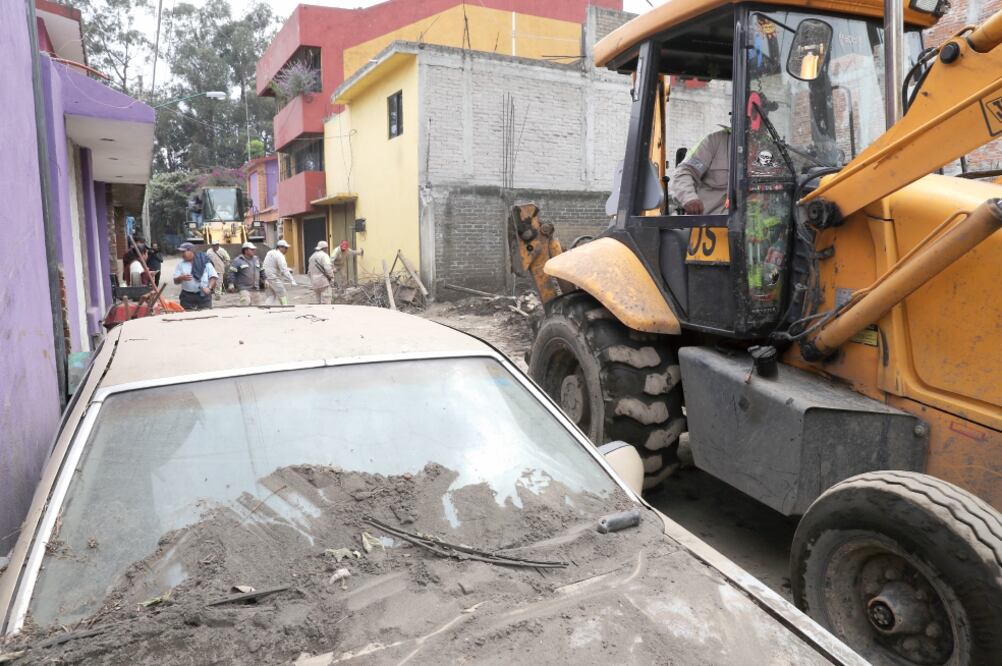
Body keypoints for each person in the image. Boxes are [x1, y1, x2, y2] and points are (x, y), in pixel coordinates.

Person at [670, 126, 731, 215]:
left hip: (753, 222)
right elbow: (684, 171)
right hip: (711, 222)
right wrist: (689, 198)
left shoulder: (758, 148)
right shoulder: (713, 141)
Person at [173, 242, 218, 311]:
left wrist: (209, 288)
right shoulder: (180, 265)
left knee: (206, 316)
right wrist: (181, 278)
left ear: (191, 251)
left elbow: (213, 276)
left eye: (183, 252)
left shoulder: (204, 262)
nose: (182, 255)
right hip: (187, 297)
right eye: (181, 252)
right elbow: (175, 281)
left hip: (203, 296)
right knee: (187, 317)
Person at [262, 239, 297, 306]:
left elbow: (272, 265)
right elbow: (284, 270)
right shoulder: (279, 255)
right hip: (274, 278)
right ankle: (285, 307)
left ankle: (265, 308)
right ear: (280, 247)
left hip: (266, 278)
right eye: (285, 248)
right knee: (283, 294)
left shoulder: (270, 252)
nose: (287, 250)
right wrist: (292, 280)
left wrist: (287, 269)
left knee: (271, 296)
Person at [229, 242, 261, 306]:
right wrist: (231, 283)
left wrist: (265, 279)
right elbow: (231, 272)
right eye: (251, 249)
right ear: (246, 250)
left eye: (254, 249)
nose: (254, 251)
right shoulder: (238, 261)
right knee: (245, 303)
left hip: (255, 288)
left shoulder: (256, 259)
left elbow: (262, 269)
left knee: (258, 306)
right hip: (244, 288)